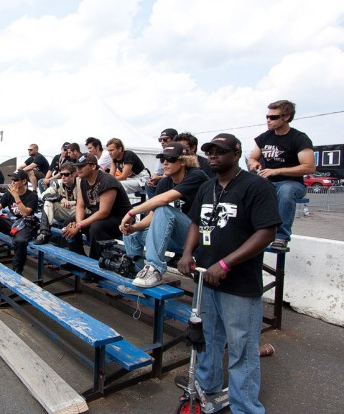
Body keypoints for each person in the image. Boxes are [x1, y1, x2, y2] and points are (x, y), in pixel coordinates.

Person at [177, 133, 281, 414]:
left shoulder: (256, 187)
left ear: (236, 153)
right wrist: (187, 254)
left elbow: (266, 232)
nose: (212, 155)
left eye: (220, 151)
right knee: (207, 341)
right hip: (206, 280)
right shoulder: (207, 186)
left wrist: (225, 264)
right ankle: (207, 389)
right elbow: (195, 223)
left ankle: (245, 407)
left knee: (242, 350)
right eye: (210, 150)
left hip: (239, 285)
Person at [118, 142, 209, 289]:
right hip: (179, 237)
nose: (165, 163)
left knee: (164, 209)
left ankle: (155, 269)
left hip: (198, 236)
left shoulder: (196, 175)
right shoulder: (166, 181)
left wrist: (131, 212)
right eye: (162, 159)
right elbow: (152, 216)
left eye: (170, 159)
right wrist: (134, 227)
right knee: (131, 235)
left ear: (184, 161)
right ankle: (137, 275)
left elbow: (163, 201)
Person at [247, 99, 316, 250]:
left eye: (273, 117)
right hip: (267, 182)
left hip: (292, 183)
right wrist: (254, 164)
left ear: (286, 117)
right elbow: (252, 157)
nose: (268, 120)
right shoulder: (265, 137)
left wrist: (277, 170)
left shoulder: (299, 138)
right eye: (267, 116)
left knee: (286, 191)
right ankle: (246, 232)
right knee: (244, 188)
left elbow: (309, 167)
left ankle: (281, 237)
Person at [62, 154, 132, 263]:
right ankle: (77, 260)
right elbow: (80, 206)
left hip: (120, 219)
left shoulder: (107, 180)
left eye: (81, 166)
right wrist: (78, 224)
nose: (78, 169)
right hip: (101, 217)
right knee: (69, 222)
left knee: (96, 227)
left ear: (93, 166)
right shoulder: (83, 181)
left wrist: (79, 225)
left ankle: (94, 265)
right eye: (77, 167)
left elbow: (104, 212)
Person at [0, 169, 39, 275]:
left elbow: (25, 213)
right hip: (13, 222)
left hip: (26, 224)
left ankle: (17, 269)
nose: (12, 182)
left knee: (20, 241)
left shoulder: (32, 196)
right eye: (12, 179)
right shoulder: (8, 194)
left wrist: (16, 196)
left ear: (24, 181)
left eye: (15, 180)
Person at [34, 162, 78, 245]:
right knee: (48, 202)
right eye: (61, 174)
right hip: (64, 211)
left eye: (66, 174)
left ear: (74, 174)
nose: (63, 177)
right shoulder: (58, 183)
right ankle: (44, 233)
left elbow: (87, 202)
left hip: (77, 212)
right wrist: (60, 198)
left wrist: (72, 202)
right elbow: (44, 195)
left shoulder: (81, 183)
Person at [147, 128, 177, 198]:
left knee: (162, 182)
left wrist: (158, 178)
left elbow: (173, 173)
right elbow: (157, 170)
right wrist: (153, 178)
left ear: (174, 139)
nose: (162, 142)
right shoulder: (161, 151)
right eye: (160, 140)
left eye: (165, 139)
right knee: (148, 182)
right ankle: (154, 204)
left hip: (174, 178)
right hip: (164, 177)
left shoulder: (179, 151)